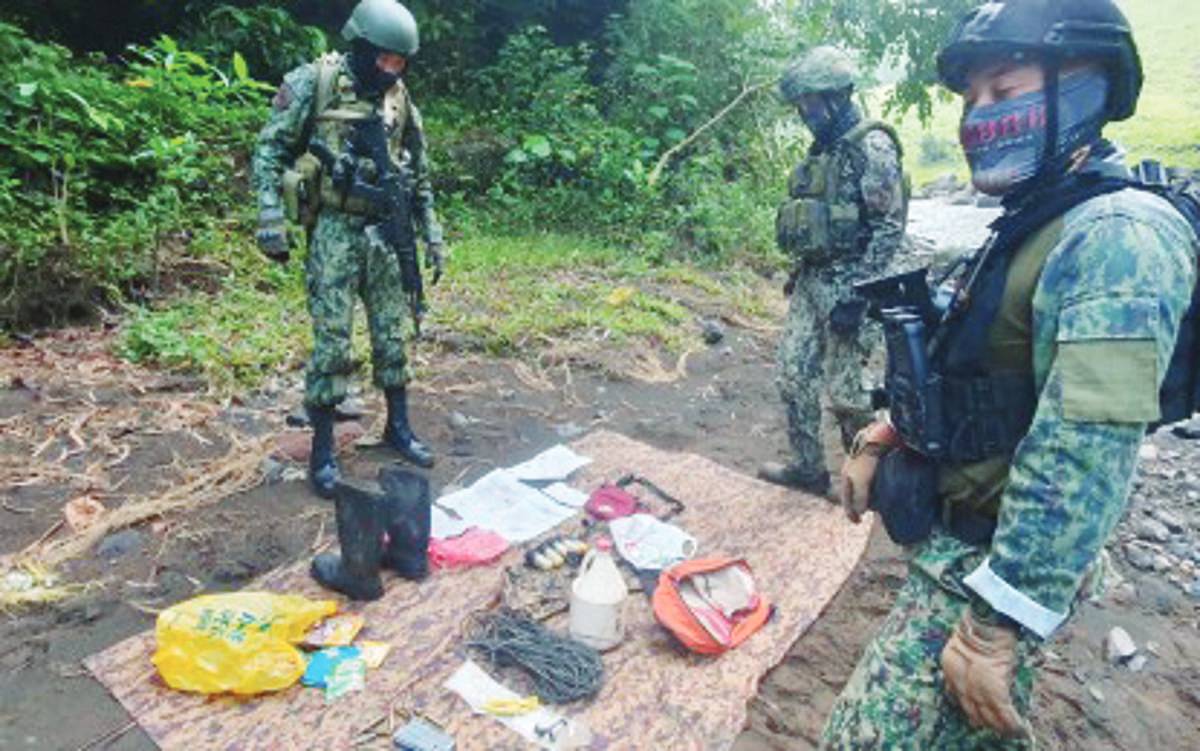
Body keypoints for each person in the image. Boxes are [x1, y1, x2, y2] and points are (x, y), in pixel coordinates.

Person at [825, 1, 1198, 747]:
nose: (978, 117)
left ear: (1089, 84)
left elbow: (1086, 448)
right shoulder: (1035, 220)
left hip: (999, 560)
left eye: (1003, 90)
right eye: (970, 100)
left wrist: (999, 623)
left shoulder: (1117, 237)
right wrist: (883, 435)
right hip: (964, 539)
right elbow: (980, 365)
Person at [252, 0, 444, 498]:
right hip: (335, 229)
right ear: (360, 47)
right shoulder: (313, 83)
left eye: (400, 63)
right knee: (333, 342)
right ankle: (322, 449)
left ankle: (397, 427)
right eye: (383, 60)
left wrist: (432, 233)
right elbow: (271, 148)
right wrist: (271, 216)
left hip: (384, 232)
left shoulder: (399, 100)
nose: (391, 71)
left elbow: (419, 175)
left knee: (391, 334)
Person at [761, 46, 909, 496]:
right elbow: (817, 221)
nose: (805, 112)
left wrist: (860, 295)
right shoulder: (822, 151)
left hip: (852, 288)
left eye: (811, 103)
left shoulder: (872, 146)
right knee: (792, 375)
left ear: (839, 96)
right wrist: (799, 272)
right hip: (812, 283)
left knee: (849, 396)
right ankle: (809, 469)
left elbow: (889, 228)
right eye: (801, 104)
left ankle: (866, 482)